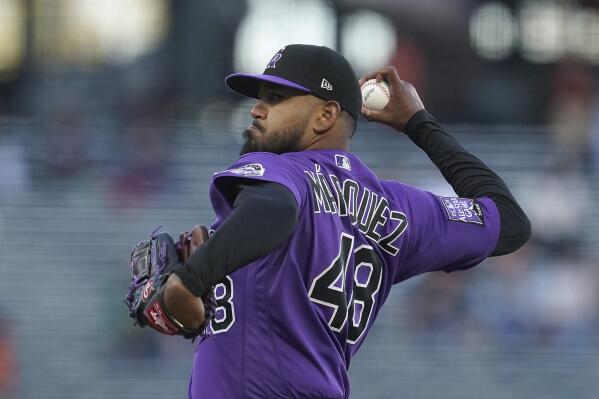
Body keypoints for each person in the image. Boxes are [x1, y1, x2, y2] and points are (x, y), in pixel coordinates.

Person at [164, 44, 531, 398]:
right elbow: (510, 223)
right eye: (259, 98)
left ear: (325, 115)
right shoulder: (399, 208)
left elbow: (275, 210)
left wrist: (190, 279)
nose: (256, 110)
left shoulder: (282, 170)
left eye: (275, 99)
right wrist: (419, 124)